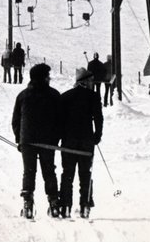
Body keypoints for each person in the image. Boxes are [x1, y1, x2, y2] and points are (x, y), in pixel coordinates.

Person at [12, 63, 61, 219]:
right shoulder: (54, 95)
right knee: (49, 171)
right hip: (47, 141)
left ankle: (27, 204)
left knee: (29, 172)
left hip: (27, 141)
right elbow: (61, 120)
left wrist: (19, 139)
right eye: (48, 76)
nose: (50, 78)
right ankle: (54, 203)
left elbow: (15, 121)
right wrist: (55, 139)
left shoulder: (23, 95)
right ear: (44, 78)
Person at [58, 68, 103, 219]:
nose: (93, 84)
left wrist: (59, 137)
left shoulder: (65, 96)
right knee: (85, 174)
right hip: (86, 141)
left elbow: (59, 120)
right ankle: (85, 206)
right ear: (84, 81)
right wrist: (97, 136)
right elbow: (98, 118)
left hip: (68, 141)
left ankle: (65, 206)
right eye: (91, 81)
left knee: (67, 175)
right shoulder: (93, 97)